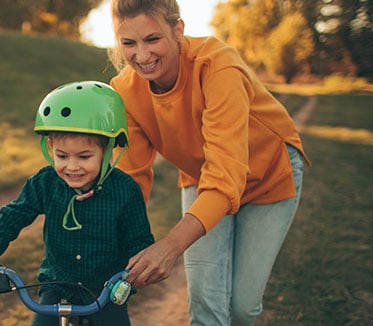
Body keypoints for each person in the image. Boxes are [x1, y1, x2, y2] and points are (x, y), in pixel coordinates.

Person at [105, 0, 312, 325]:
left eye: (152, 39)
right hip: (202, 177)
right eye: (128, 43)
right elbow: (132, 180)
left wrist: (171, 246)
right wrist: (110, 241)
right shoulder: (124, 91)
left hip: (268, 175)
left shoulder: (217, 65)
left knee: (242, 307)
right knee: (205, 299)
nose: (141, 55)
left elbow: (226, 177)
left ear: (178, 30)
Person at [0, 81, 156, 325]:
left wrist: (137, 269)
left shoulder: (125, 190)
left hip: (106, 290)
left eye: (84, 156)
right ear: (49, 148)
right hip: (57, 286)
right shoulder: (46, 182)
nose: (71, 166)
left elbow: (140, 241)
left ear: (108, 152)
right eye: (62, 156)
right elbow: (12, 216)